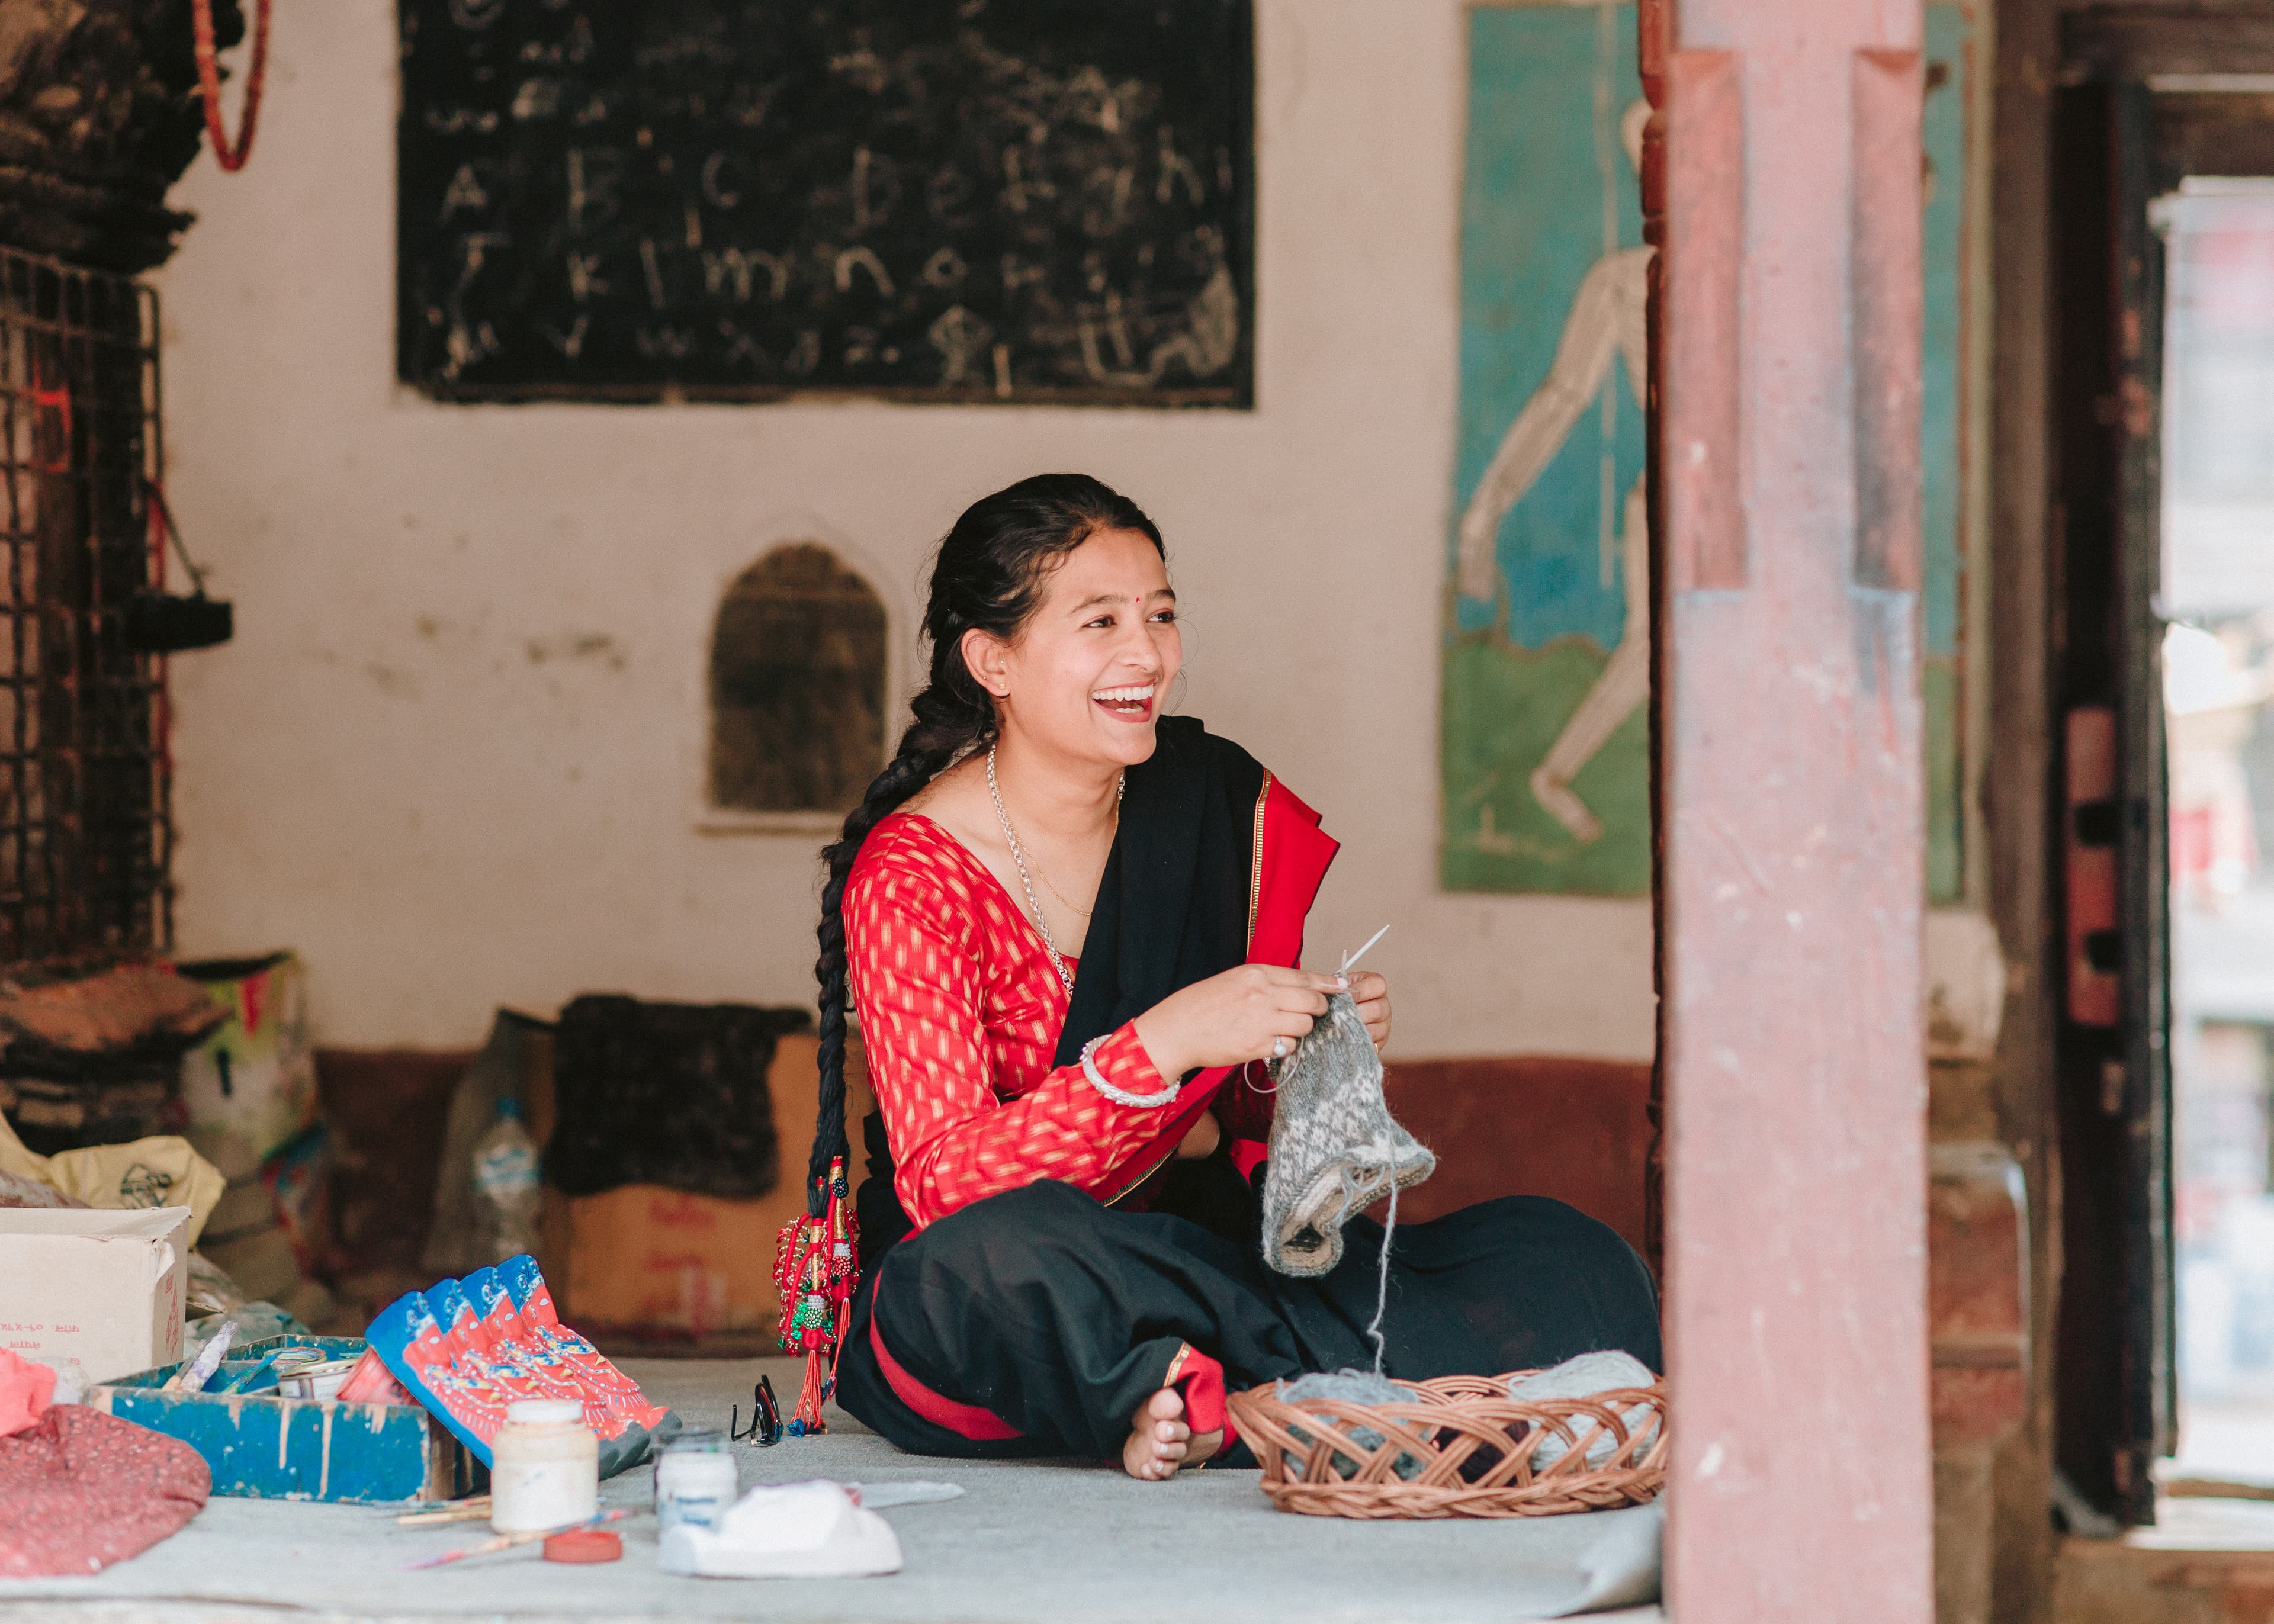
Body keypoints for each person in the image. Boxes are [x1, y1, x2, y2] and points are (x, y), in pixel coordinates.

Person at [794, 474, 1661, 1481]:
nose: (1146, 654)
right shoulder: (913, 874)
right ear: (994, 660)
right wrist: (1166, 1041)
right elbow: (946, 1188)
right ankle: (1309, 1396)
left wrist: (1296, 1042)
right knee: (982, 1268)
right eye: (1101, 621)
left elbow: (1225, 1133)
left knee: (1568, 1261)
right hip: (1027, 1284)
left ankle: (1213, 1398)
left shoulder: (1203, 802)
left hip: (1205, 1264)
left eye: (1160, 615)